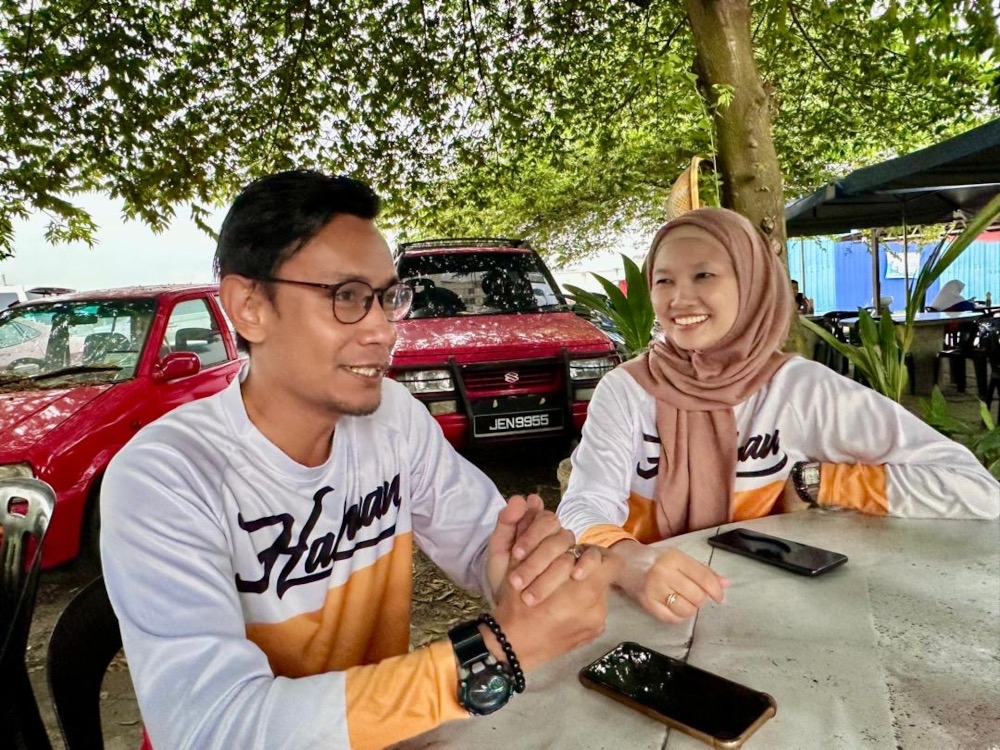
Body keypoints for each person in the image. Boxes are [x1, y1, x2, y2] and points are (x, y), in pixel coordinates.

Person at [100, 170, 621, 750]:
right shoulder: (165, 478)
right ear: (249, 307)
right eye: (346, 297)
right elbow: (212, 727)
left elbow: (482, 544)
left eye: (389, 298)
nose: (382, 329)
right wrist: (490, 657)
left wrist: (523, 574)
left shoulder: (392, 419)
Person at [557, 207, 1000, 625]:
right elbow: (585, 503)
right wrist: (628, 559)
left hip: (768, 612)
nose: (678, 298)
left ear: (751, 283)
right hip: (642, 610)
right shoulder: (628, 390)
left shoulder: (799, 389)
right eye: (663, 280)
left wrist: (819, 481)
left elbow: (976, 490)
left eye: (704, 275)